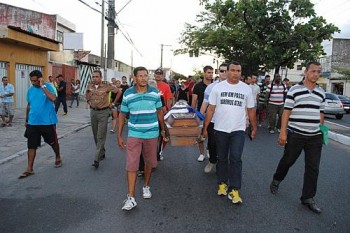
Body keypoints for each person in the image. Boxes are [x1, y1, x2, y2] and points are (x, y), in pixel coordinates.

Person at [270, 61, 325, 214]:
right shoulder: (294, 90)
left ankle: (308, 197)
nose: (316, 74)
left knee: (313, 168)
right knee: (288, 161)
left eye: (318, 71)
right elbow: (286, 112)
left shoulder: (321, 93)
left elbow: (321, 113)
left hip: (315, 137)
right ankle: (277, 179)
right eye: (313, 71)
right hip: (296, 134)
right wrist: (283, 132)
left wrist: (322, 131)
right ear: (305, 72)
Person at [202, 61, 257, 204]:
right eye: (233, 70)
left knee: (236, 158)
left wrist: (254, 127)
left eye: (238, 71)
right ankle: (222, 183)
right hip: (220, 129)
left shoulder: (246, 89)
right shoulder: (217, 88)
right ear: (227, 72)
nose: (235, 73)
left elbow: (251, 110)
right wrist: (205, 128)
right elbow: (211, 109)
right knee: (222, 158)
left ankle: (234, 190)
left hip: (238, 130)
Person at [117, 66, 166, 211]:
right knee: (131, 164)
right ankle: (131, 197)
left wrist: (164, 130)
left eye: (146, 75)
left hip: (152, 133)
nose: (144, 78)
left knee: (149, 162)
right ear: (134, 77)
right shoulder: (128, 94)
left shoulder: (155, 93)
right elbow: (122, 115)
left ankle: (146, 185)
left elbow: (159, 112)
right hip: (134, 133)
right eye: (140, 76)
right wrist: (119, 135)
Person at [18, 70, 62, 179]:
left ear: (41, 79)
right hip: (33, 122)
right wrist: (27, 120)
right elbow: (29, 105)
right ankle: (29, 168)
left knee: (53, 142)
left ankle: (57, 156)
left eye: (35, 81)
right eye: (31, 81)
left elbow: (53, 98)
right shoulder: (30, 90)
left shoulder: (49, 87)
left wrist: (43, 86)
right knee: (31, 145)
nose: (33, 83)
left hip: (48, 121)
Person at [85, 70, 121, 169]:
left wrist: (113, 103)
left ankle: (96, 159)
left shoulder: (106, 85)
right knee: (95, 135)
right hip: (93, 112)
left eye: (97, 77)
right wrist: (88, 100)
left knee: (101, 135)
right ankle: (102, 151)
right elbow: (87, 93)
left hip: (103, 112)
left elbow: (119, 91)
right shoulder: (90, 85)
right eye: (93, 77)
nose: (95, 78)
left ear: (101, 78)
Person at [200, 63, 227, 173]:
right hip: (213, 121)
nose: (224, 73)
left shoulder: (237, 87)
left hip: (228, 122)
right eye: (221, 71)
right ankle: (212, 161)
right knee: (212, 143)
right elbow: (204, 104)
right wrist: (200, 120)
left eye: (226, 70)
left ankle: (223, 165)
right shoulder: (211, 87)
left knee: (226, 145)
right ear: (218, 72)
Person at [192, 65, 213, 162]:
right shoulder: (197, 86)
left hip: (213, 114)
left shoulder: (215, 85)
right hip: (200, 113)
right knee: (200, 135)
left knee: (211, 134)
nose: (211, 74)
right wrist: (193, 114)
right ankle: (201, 153)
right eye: (209, 72)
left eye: (212, 72)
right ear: (204, 73)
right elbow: (194, 101)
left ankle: (209, 150)